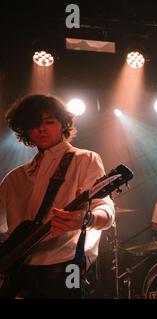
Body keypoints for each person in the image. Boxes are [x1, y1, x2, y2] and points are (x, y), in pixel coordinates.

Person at [0, 94, 115, 298]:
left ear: (63, 124)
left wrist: (86, 219)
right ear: (25, 130)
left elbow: (105, 208)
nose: (42, 129)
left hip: (64, 268)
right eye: (34, 124)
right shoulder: (13, 179)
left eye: (50, 122)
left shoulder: (84, 159)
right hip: (18, 273)